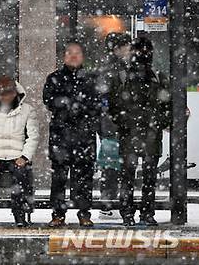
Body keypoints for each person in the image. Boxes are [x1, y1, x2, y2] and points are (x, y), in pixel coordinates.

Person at [107, 37, 171, 226]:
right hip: (133, 133)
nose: (143, 55)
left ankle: (142, 213)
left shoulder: (156, 76)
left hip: (144, 133)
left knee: (143, 177)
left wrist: (157, 123)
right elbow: (113, 105)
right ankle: (132, 213)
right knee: (131, 176)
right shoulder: (125, 77)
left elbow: (167, 106)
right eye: (140, 51)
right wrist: (125, 122)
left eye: (146, 51)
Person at [43, 42, 101, 227]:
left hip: (84, 136)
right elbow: (50, 101)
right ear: (63, 56)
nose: (74, 56)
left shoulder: (92, 79)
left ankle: (84, 213)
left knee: (84, 177)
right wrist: (73, 105)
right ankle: (58, 213)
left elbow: (96, 105)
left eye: (77, 53)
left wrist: (71, 105)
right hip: (61, 136)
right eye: (70, 53)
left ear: (83, 56)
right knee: (59, 177)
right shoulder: (54, 78)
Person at [0, 76, 39, 227]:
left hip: (18, 155)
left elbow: (33, 136)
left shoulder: (27, 110)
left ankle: (19, 214)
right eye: (1, 93)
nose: (4, 97)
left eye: (8, 93)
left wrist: (24, 157)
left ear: (15, 93)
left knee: (21, 175)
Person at [97, 33, 132, 219]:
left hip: (111, 126)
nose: (129, 50)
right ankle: (108, 206)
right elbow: (107, 99)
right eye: (126, 46)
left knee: (112, 166)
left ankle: (109, 204)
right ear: (117, 49)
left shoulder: (112, 67)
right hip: (113, 126)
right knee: (113, 167)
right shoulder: (114, 69)